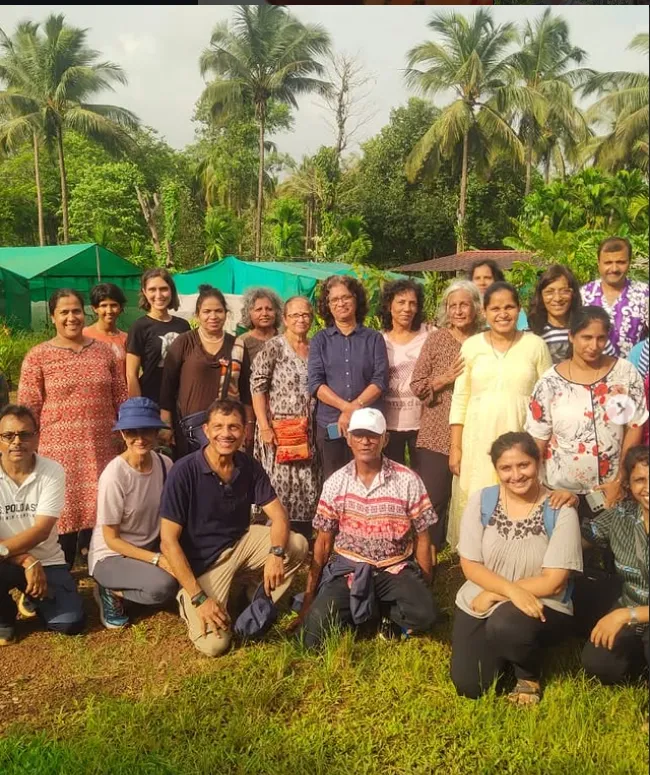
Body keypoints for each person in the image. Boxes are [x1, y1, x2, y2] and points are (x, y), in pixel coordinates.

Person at [159, 398, 308, 657]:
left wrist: (274, 553)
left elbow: (279, 516)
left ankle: (254, 596)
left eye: (233, 427)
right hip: (205, 563)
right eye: (218, 426)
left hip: (240, 543)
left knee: (296, 545)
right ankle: (188, 600)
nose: (226, 434)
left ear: (244, 431)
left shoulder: (248, 466)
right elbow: (168, 542)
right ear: (206, 430)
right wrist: (199, 598)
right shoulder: (184, 472)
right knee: (215, 645)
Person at [450, 432, 582, 704]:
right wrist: (507, 590)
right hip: (482, 596)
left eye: (524, 465)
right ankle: (505, 651)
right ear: (496, 470)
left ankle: (528, 673)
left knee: (506, 624)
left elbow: (554, 581)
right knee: (470, 686)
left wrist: (500, 594)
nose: (516, 475)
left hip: (542, 601)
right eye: (506, 468)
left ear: (538, 463)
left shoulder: (560, 508)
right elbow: (471, 565)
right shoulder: (483, 500)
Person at [295, 408, 438, 649]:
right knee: (311, 638)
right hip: (349, 569)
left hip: (394, 568)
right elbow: (323, 542)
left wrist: (424, 585)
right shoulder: (336, 482)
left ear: (385, 439)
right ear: (348, 438)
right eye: (359, 435)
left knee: (426, 614)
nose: (365, 441)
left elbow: (423, 537)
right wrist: (309, 598)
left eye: (372, 435)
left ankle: (371, 610)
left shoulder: (407, 480)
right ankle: (372, 610)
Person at [18, 289, 127, 569]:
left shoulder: (104, 352)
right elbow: (27, 410)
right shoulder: (38, 357)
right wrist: (28, 451)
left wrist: (125, 438)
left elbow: (121, 397)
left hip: (103, 446)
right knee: (61, 514)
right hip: (57, 453)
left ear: (84, 313)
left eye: (76, 311)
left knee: (102, 509)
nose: (71, 317)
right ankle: (59, 572)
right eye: (64, 312)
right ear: (53, 317)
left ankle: (103, 573)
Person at [447, 282, 552, 549]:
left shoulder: (535, 345)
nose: (502, 314)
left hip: (521, 435)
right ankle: (474, 559)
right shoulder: (471, 346)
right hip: (477, 437)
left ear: (519, 309)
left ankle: (516, 555)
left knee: (519, 491)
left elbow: (550, 397)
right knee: (477, 495)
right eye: (495, 308)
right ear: (484, 312)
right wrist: (455, 446)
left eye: (509, 307)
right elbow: (461, 398)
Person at [526, 306, 647, 515]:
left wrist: (620, 480)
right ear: (571, 336)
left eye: (600, 338)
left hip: (612, 490)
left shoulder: (625, 373)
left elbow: (634, 426)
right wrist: (534, 490)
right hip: (560, 492)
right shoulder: (549, 383)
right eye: (586, 337)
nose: (594, 345)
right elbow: (537, 439)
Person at [89, 397, 177, 630]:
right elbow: (111, 539)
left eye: (146, 430)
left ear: (157, 432)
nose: (140, 438)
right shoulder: (114, 475)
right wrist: (158, 560)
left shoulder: (165, 464)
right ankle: (109, 589)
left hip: (149, 547)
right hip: (113, 555)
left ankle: (135, 584)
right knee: (164, 587)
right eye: (131, 431)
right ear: (122, 434)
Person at [0, 404, 85, 645]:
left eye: (25, 434)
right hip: (7, 559)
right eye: (8, 435)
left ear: (37, 438)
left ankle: (34, 597)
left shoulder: (52, 471)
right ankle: (4, 617)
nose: (17, 441)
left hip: (47, 561)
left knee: (69, 623)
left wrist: (31, 560)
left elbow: (41, 531)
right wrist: (26, 560)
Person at [411, 280, 483, 551]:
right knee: (435, 495)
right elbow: (417, 385)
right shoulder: (437, 339)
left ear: (476, 307)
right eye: (452, 306)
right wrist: (444, 379)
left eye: (464, 304)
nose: (458, 310)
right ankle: (431, 549)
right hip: (437, 430)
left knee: (475, 494)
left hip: (477, 429)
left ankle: (471, 548)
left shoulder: (486, 338)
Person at [251, 296, 322, 542]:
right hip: (279, 431)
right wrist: (264, 426)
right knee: (280, 484)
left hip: (308, 430)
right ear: (285, 319)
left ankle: (303, 539)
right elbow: (257, 387)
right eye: (295, 315)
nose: (301, 320)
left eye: (305, 315)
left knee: (307, 484)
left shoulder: (316, 348)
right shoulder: (274, 347)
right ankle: (276, 541)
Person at [308, 276, 388, 480]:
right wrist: (346, 408)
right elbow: (316, 383)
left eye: (346, 297)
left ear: (356, 299)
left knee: (368, 478)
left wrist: (354, 409)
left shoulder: (373, 338)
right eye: (334, 300)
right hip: (331, 425)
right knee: (333, 480)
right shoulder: (320, 340)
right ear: (328, 305)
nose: (340, 303)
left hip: (367, 427)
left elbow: (380, 380)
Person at [580, 445, 648, 685]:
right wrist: (563, 506)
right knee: (598, 663)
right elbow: (579, 542)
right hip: (631, 605)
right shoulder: (621, 514)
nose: (648, 487)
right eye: (640, 480)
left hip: (633, 612)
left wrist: (624, 615)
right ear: (629, 484)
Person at [159, 285, 253, 458]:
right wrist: (166, 426)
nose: (213, 316)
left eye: (218, 311)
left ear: (226, 313)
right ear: (197, 315)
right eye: (207, 311)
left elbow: (246, 392)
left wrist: (248, 425)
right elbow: (167, 387)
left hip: (228, 429)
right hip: (190, 431)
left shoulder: (237, 345)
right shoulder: (184, 342)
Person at [380, 279, 429, 466]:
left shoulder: (429, 334)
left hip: (422, 425)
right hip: (389, 425)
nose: (407, 308)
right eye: (401, 302)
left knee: (424, 481)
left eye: (412, 303)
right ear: (389, 305)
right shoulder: (379, 340)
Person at [125, 268, 191, 406]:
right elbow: (131, 374)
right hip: (151, 401)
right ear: (144, 292)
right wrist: (138, 407)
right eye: (152, 289)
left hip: (180, 401)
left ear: (171, 290)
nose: (158, 295)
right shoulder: (139, 327)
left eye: (163, 289)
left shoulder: (183, 326)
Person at [527, 264, 615, 364]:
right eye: (549, 292)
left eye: (564, 291)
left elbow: (612, 367)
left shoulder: (591, 331)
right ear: (540, 296)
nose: (557, 298)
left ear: (574, 294)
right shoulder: (531, 334)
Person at [581, 237, 649, 358]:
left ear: (629, 262)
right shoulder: (583, 295)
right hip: (591, 373)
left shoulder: (644, 294)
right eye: (608, 263)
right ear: (598, 263)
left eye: (621, 262)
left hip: (633, 372)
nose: (614, 269)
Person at [468, 259, 527, 330]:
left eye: (487, 278)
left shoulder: (511, 307)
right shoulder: (465, 309)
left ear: (497, 280)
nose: (482, 283)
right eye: (477, 278)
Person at [83, 283, 129, 374]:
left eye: (114, 305)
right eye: (104, 306)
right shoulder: (84, 335)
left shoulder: (126, 339)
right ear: (95, 308)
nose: (109, 311)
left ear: (120, 307)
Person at [239, 287, 283, 366]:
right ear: (249, 313)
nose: (264, 313)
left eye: (269, 309)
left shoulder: (285, 340)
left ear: (277, 312)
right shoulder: (242, 342)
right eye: (259, 309)